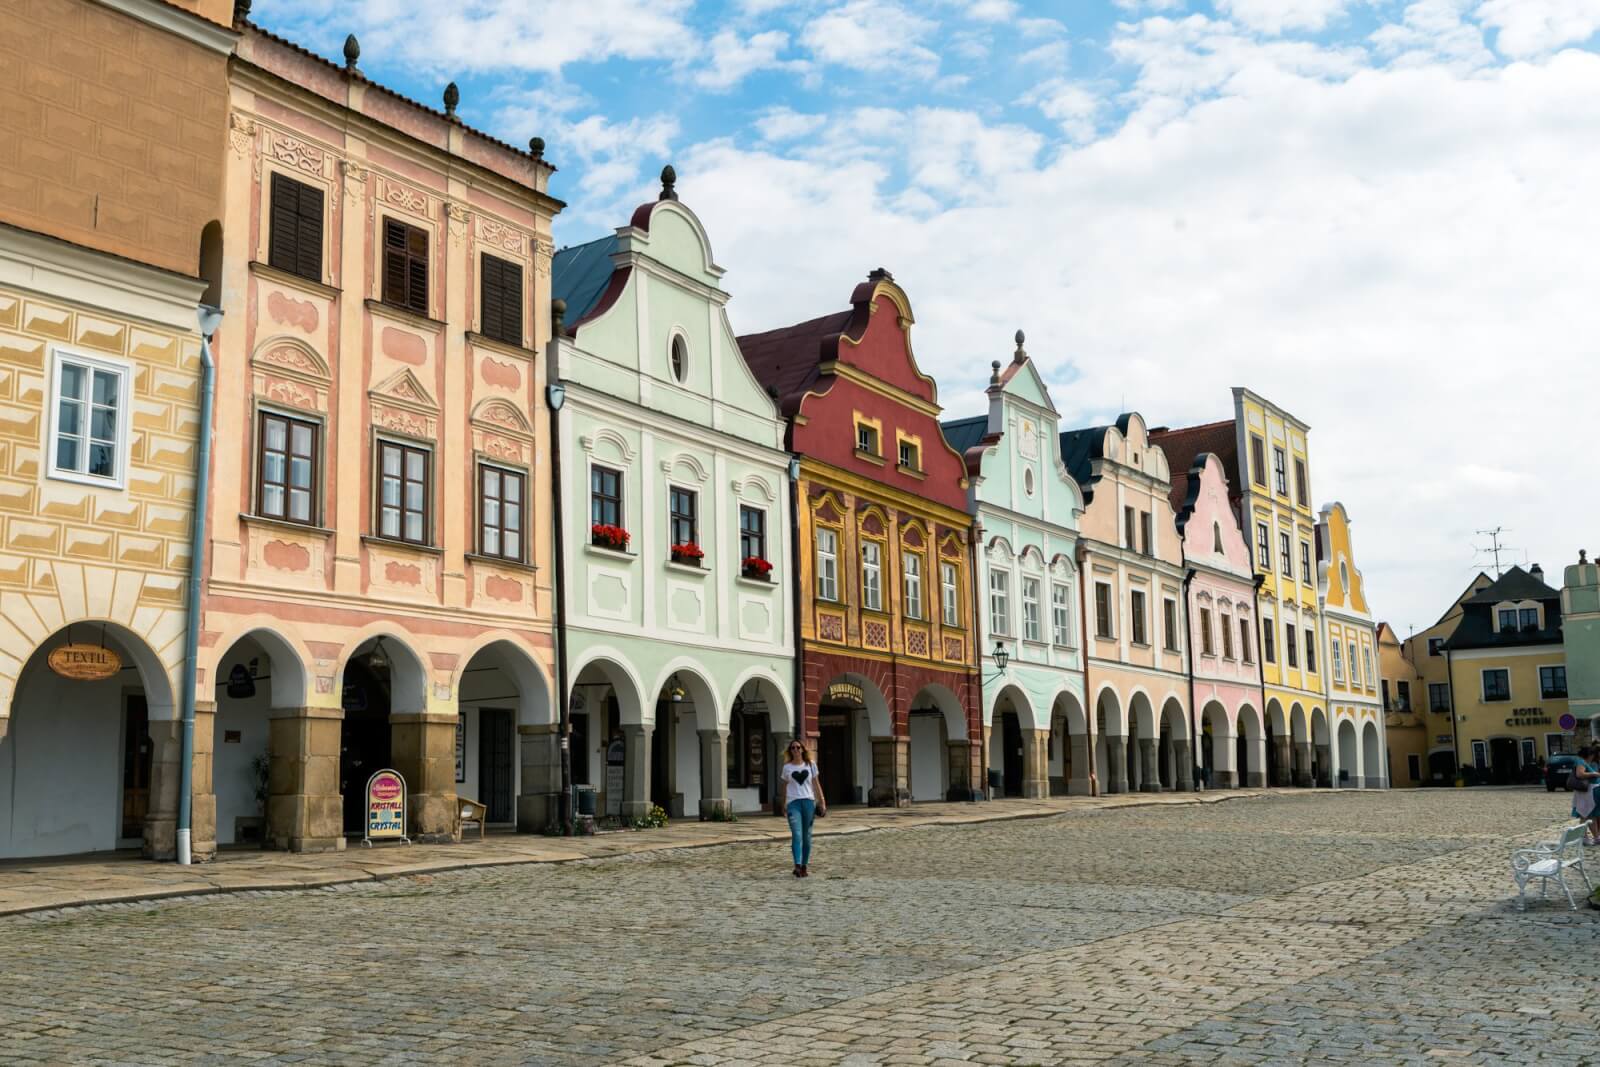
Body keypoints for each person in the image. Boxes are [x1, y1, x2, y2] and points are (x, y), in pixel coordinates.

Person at [778, 739, 826, 877]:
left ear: (803, 749)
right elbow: (785, 786)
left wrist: (822, 801)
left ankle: (804, 866)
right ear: (790, 751)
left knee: (807, 836)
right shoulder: (787, 767)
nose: (796, 750)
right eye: (793, 748)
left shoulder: (810, 765)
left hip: (809, 803)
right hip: (793, 804)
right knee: (797, 834)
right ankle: (797, 865)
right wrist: (784, 804)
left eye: (798, 747)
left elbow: (816, 783)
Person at [1570, 746, 1600, 845]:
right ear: (1590, 755)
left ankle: (1587, 837)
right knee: (1589, 814)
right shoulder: (1581, 762)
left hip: (1588, 792)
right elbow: (1580, 774)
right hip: (1587, 792)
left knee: (1587, 815)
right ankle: (1592, 837)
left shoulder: (1582, 761)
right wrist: (1594, 774)